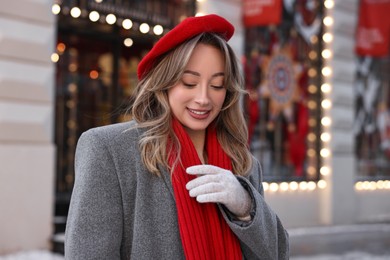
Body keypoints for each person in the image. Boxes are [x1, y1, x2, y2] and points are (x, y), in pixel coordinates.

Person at [65, 14, 289, 260]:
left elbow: (277, 254)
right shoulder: (110, 150)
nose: (204, 98)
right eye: (190, 83)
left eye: (217, 85)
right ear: (165, 83)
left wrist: (246, 206)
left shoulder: (243, 163)